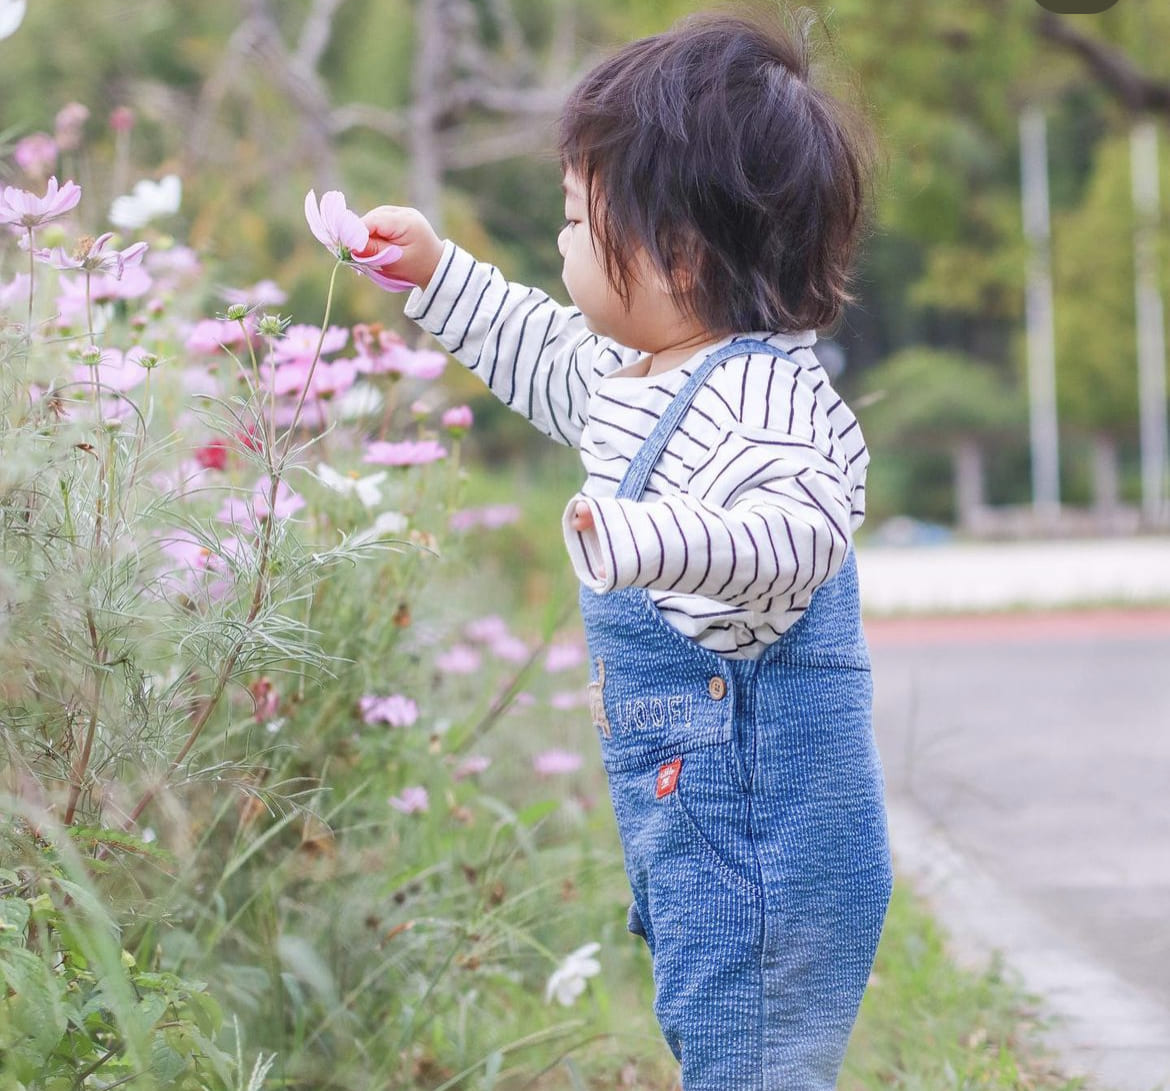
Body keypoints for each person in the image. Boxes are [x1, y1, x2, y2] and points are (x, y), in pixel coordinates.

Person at [361, 8, 892, 1089]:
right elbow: (530, 345)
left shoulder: (764, 395)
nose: (559, 244)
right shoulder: (632, 373)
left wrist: (653, 535)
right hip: (697, 824)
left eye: (572, 218)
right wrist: (430, 270)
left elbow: (801, 535)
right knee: (719, 1034)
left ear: (677, 250)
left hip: (768, 842)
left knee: (753, 1055)